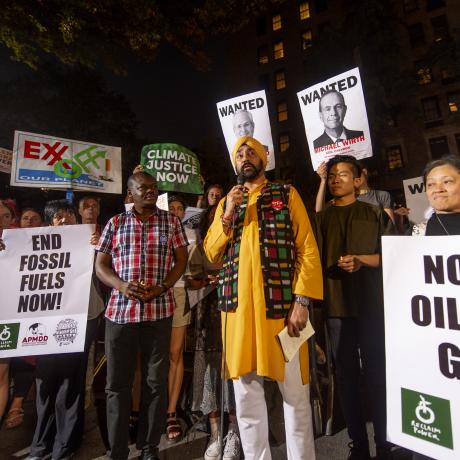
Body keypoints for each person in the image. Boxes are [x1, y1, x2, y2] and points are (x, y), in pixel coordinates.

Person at [204, 136, 323, 460]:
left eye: (251, 152)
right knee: (246, 402)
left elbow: (308, 249)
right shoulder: (227, 203)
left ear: (265, 157)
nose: (245, 157)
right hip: (238, 316)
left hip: (284, 313)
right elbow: (211, 252)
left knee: (296, 399)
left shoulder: (287, 194)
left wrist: (302, 302)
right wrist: (227, 211)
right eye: (239, 153)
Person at [95, 172, 188, 460]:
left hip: (158, 313)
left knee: (154, 382)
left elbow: (181, 260)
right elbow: (101, 265)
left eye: (153, 187)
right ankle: (118, 450)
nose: (150, 191)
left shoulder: (171, 222)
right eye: (142, 188)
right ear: (130, 193)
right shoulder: (116, 223)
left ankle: (149, 448)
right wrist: (121, 285)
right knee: (117, 385)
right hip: (120, 315)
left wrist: (162, 286)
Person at [314, 155, 394, 460]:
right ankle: (358, 445)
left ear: (357, 179)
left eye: (343, 174)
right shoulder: (321, 220)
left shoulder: (374, 213)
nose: (336, 180)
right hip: (336, 309)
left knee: (377, 374)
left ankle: (385, 444)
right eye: (332, 175)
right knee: (345, 377)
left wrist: (362, 260)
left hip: (371, 305)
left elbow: (391, 255)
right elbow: (312, 263)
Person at [25, 200, 104, 460]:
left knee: (71, 383)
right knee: (46, 384)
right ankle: (40, 445)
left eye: (68, 214)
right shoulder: (34, 245)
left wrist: (98, 245)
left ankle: (65, 445)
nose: (64, 220)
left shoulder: (91, 239)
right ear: (49, 223)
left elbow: (108, 265)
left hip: (83, 319)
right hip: (46, 323)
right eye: (58, 216)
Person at [187, 205, 240, 460]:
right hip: (207, 318)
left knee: (234, 374)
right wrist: (207, 279)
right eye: (216, 216)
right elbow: (190, 279)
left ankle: (235, 434)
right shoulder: (202, 246)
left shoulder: (240, 242)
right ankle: (216, 432)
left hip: (235, 316)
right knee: (210, 375)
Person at [4, 207, 43, 429]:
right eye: (26, 218)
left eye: (34, 218)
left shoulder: (49, 241)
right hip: (8, 306)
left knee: (27, 356)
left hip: (30, 309)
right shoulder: (8, 241)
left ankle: (17, 402)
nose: (29, 221)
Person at [165, 195, 196, 442]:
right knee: (150, 357)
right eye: (171, 207)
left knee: (175, 354)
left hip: (179, 293)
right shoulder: (153, 227)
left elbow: (196, 268)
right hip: (153, 293)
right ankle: (142, 409)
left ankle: (171, 412)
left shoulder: (191, 234)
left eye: (179, 209)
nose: (175, 212)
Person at [0, 199, 16, 423]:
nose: (0, 220)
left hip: (6, 317)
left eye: (4, 216)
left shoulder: (21, 244)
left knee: (1, 376)